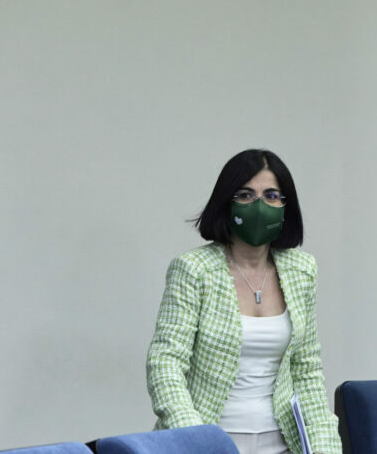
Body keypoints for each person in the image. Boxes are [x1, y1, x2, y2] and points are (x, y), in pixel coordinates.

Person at [146, 149, 341, 454]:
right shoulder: (193, 269)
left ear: (286, 205)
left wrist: (325, 447)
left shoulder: (302, 270)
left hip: (283, 443)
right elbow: (165, 362)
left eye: (272, 196)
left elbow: (307, 370)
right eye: (246, 195)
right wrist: (198, 441)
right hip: (210, 442)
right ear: (226, 203)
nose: (259, 206)